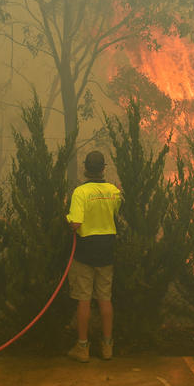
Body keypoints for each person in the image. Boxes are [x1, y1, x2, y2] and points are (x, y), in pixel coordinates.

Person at [65, 151, 122, 362]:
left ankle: (82, 348)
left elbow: (76, 224)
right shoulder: (114, 191)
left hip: (85, 253)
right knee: (105, 299)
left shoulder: (80, 193)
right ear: (103, 168)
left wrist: (69, 217)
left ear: (85, 168)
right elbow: (116, 212)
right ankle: (107, 347)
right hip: (107, 250)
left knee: (84, 301)